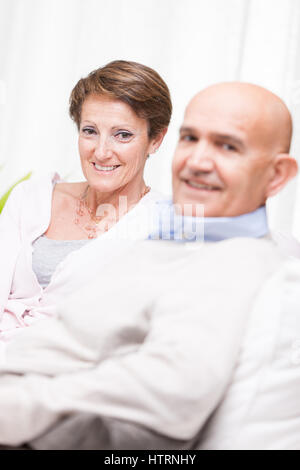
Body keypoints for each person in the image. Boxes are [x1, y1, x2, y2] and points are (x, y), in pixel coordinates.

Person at [0, 82, 299, 450]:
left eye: (227, 146)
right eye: (190, 138)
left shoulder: (240, 261)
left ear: (277, 176)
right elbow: (73, 335)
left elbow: (170, 394)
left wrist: (16, 408)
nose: (197, 161)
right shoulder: (173, 235)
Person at [0, 60, 171, 341]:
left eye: (123, 135)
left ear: (155, 139)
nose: (101, 152)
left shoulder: (168, 225)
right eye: (89, 131)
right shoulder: (29, 198)